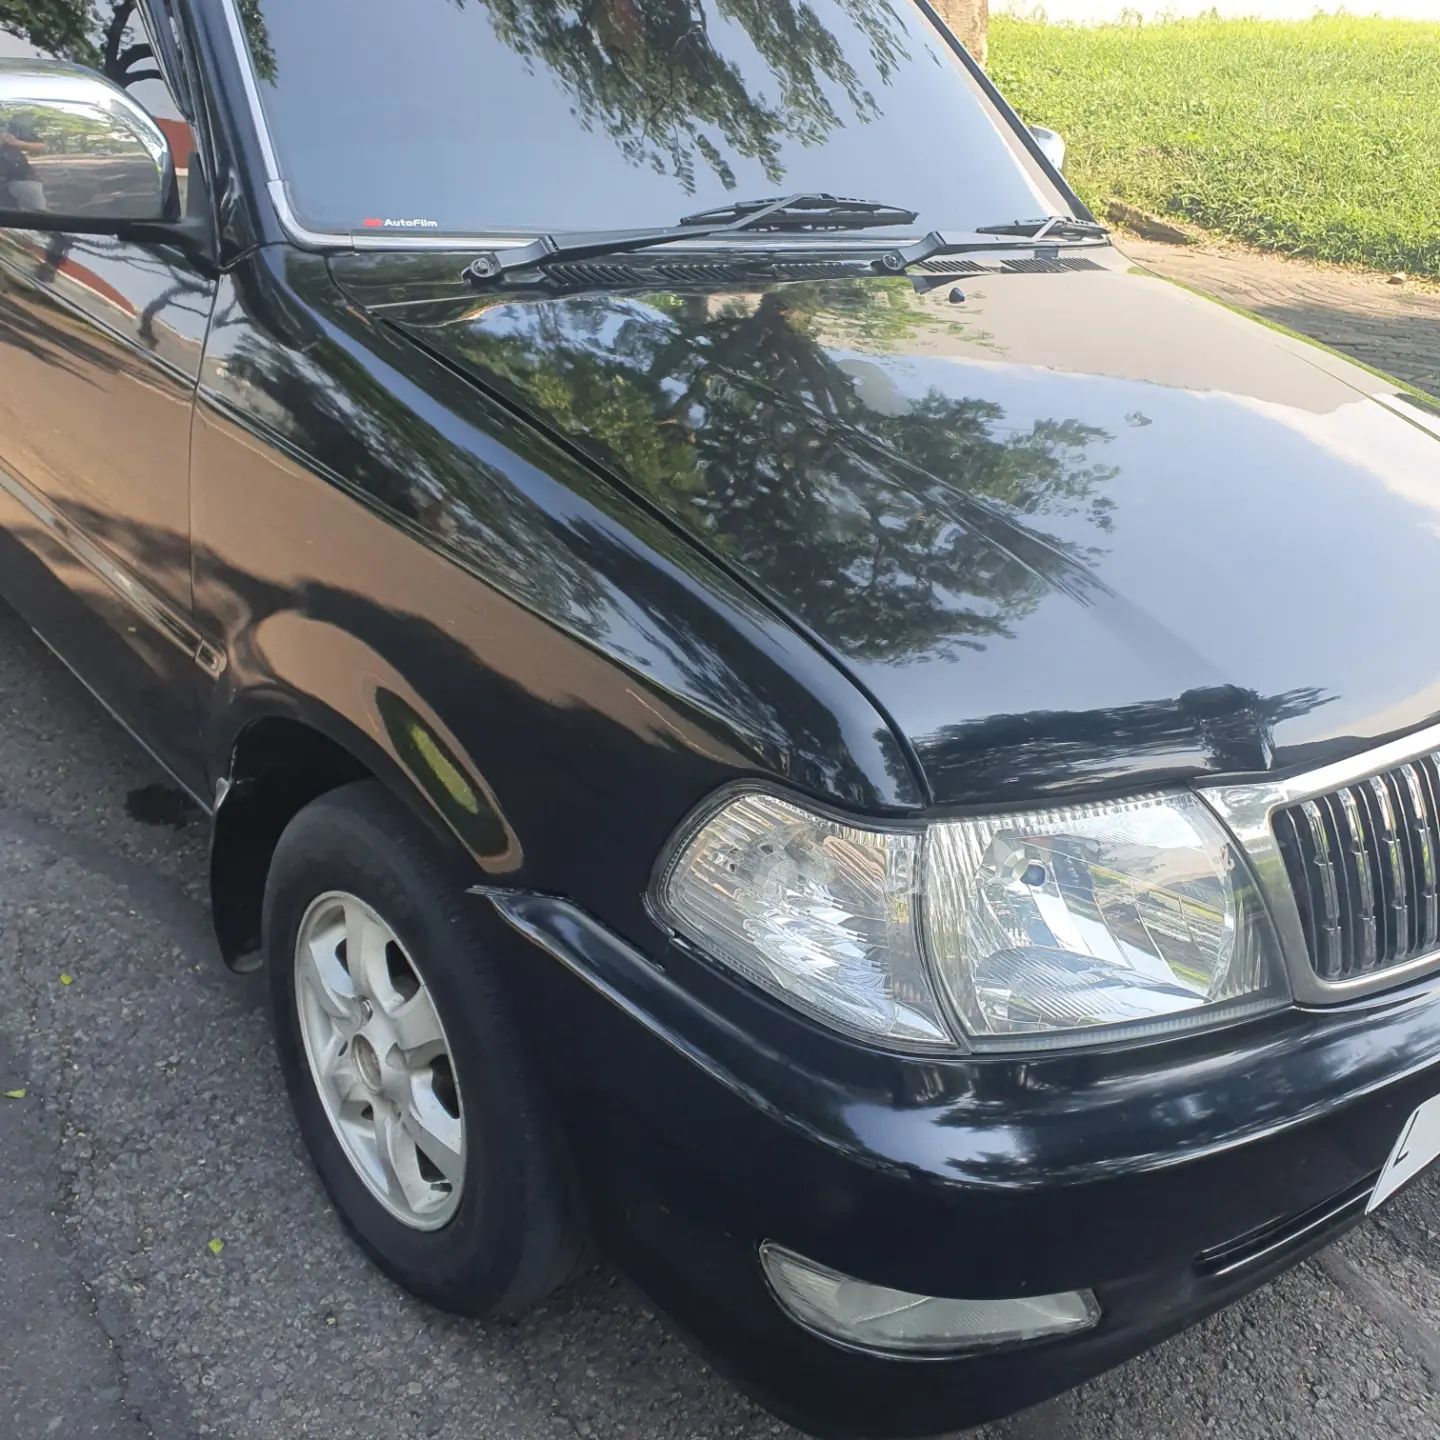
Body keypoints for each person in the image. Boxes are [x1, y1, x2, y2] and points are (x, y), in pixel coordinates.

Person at [0, 113, 47, 211]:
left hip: (21, 176)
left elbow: (41, 147)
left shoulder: (13, 123)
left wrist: (12, 142)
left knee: (37, 212)